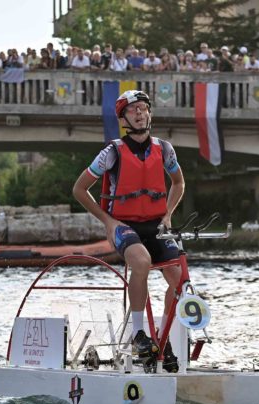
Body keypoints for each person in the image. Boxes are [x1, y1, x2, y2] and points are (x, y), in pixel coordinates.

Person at [72, 90, 184, 373]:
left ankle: (163, 340)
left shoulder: (165, 149)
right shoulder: (112, 152)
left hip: (156, 226)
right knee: (142, 262)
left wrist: (168, 214)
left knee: (180, 280)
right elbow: (79, 189)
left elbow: (178, 183)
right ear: (123, 118)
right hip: (123, 226)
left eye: (143, 108)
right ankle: (138, 334)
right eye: (133, 109)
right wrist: (108, 222)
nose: (139, 113)